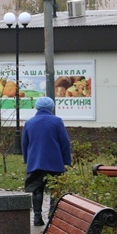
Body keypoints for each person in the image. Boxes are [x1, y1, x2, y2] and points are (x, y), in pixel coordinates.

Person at [22, 96, 72, 226]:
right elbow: (65, 142)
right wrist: (66, 160)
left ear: (37, 107)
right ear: (51, 107)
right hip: (54, 162)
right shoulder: (57, 121)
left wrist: (28, 160)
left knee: (37, 190)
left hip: (35, 163)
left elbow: (25, 144)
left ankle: (37, 217)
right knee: (54, 190)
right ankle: (52, 216)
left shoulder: (29, 122)